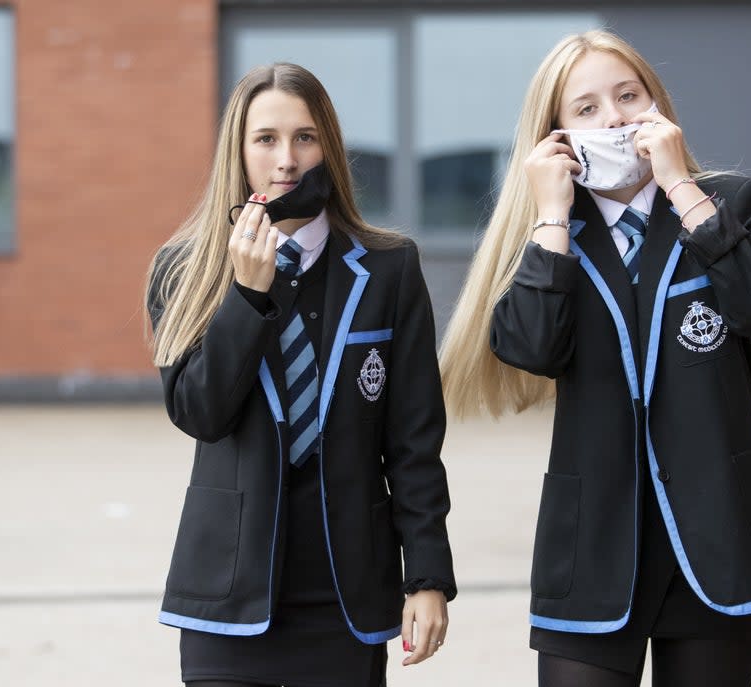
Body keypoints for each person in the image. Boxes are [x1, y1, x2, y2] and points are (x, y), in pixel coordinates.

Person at [439, 30, 751, 687]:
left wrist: (681, 187)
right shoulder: (555, 236)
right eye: (585, 109)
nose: (612, 118)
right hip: (593, 546)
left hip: (718, 533)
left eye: (628, 96)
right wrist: (551, 213)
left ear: (658, 106)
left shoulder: (729, 201)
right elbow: (528, 348)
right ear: (556, 137)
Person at [145, 62, 455, 687]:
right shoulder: (183, 268)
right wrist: (248, 296)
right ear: (239, 149)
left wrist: (426, 576)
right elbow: (200, 413)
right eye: (266, 139)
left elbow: (414, 440)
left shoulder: (390, 268)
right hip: (228, 594)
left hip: (346, 593)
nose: (286, 159)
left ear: (329, 148)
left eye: (305, 137)